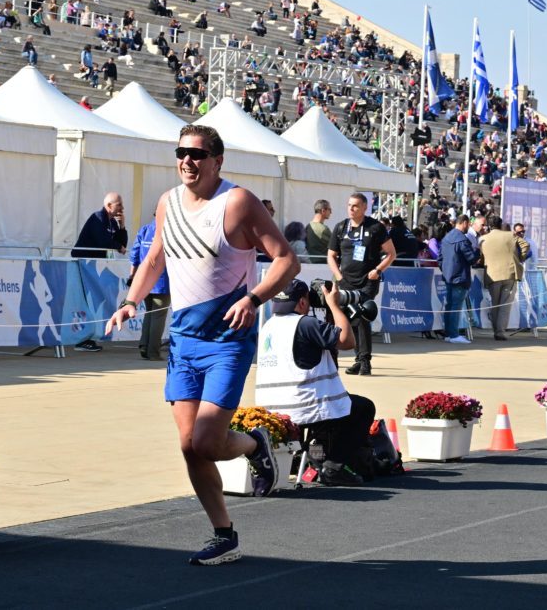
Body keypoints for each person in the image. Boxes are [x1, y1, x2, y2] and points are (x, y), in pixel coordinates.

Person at [106, 124, 299, 566]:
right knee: (188, 445)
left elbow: (287, 260)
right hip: (185, 341)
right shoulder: (167, 202)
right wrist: (131, 301)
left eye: (197, 154)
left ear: (217, 161)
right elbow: (155, 258)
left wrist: (254, 298)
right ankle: (223, 533)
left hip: (229, 340)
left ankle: (253, 444)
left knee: (208, 441)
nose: (187, 161)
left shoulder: (238, 203)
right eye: (181, 153)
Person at [254, 279, 375, 486]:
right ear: (302, 302)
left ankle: (305, 457)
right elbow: (347, 341)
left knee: (338, 407)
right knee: (363, 408)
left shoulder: (268, 326)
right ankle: (334, 466)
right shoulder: (305, 324)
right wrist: (334, 305)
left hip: (271, 407)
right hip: (303, 408)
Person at [327, 193, 395, 376]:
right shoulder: (341, 227)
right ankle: (357, 359)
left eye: (356, 205)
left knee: (361, 316)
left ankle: (365, 362)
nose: (351, 208)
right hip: (345, 282)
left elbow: (391, 254)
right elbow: (331, 255)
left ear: (365, 207)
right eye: (349, 205)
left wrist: (378, 270)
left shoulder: (375, 227)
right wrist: (338, 275)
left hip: (367, 282)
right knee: (350, 319)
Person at [72, 193, 128, 352]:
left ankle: (90, 337)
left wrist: (122, 226)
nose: (122, 208)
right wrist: (118, 246)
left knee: (97, 301)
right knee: (87, 302)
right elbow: (103, 241)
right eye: (119, 204)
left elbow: (122, 244)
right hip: (84, 265)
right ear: (109, 205)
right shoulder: (97, 218)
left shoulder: (112, 221)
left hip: (96, 267)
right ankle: (82, 339)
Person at [129, 215, 169, 361]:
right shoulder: (168, 230)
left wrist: (132, 276)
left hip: (144, 280)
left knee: (149, 313)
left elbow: (134, 254)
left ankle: (144, 345)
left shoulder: (145, 229)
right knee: (158, 315)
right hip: (162, 281)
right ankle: (153, 351)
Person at [480, 215, 523, 341]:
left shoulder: (483, 239)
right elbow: (525, 245)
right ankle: (500, 331)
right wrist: (520, 258)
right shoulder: (510, 235)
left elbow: (481, 256)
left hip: (492, 274)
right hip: (509, 273)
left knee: (495, 304)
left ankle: (496, 330)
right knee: (505, 305)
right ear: (500, 224)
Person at [438, 215, 478, 344]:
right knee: (455, 307)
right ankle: (454, 334)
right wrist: (478, 252)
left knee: (450, 306)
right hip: (460, 277)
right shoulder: (462, 239)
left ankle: (449, 334)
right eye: (468, 224)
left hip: (448, 277)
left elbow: (440, 258)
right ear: (465, 223)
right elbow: (471, 259)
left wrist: (445, 270)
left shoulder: (446, 238)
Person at [305, 199, 331, 263]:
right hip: (323, 263)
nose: (331, 212)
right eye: (329, 210)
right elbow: (335, 245)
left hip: (311, 262)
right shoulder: (324, 229)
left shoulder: (308, 226)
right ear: (323, 211)